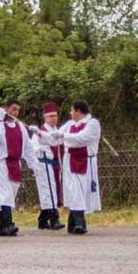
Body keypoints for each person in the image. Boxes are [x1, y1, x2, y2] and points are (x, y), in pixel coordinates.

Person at [50, 100, 101, 234]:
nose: (70, 113)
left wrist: (63, 136)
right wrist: (40, 134)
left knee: (80, 191)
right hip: (70, 161)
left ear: (78, 111)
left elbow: (82, 138)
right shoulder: (69, 124)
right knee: (73, 191)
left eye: (72, 110)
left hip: (85, 162)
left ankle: (78, 222)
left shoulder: (93, 124)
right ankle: (75, 223)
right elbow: (55, 138)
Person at [0, 100, 38, 237]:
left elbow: (28, 147)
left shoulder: (20, 127)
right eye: (13, 109)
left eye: (17, 110)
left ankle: (5, 224)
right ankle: (6, 224)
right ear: (6, 109)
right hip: (1, 162)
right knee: (4, 194)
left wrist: (33, 165)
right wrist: (0, 121)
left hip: (15, 163)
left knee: (11, 192)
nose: (15, 112)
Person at [29, 103, 65, 230]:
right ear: (45, 118)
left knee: (54, 191)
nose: (54, 119)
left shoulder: (58, 131)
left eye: (55, 116)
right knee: (48, 191)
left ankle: (43, 219)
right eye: (50, 116)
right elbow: (33, 148)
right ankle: (54, 219)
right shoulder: (39, 132)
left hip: (56, 165)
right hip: (44, 164)